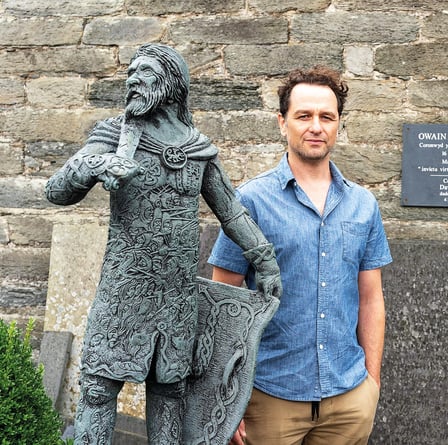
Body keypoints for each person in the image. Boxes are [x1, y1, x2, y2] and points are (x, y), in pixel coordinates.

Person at [45, 43, 281, 445]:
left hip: (177, 298)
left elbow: (232, 212)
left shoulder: (197, 149)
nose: (132, 80)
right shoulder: (115, 134)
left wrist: (265, 260)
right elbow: (57, 190)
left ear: (171, 84)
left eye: (144, 72)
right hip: (123, 290)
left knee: (170, 393)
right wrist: (96, 166)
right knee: (99, 390)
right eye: (130, 72)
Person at [209, 66, 393, 445]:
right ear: (282, 123)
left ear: (338, 124)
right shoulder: (251, 202)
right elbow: (222, 299)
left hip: (348, 398)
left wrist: (371, 385)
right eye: (304, 116)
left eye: (326, 117)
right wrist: (225, 396)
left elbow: (370, 298)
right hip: (269, 397)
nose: (316, 126)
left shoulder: (363, 204)